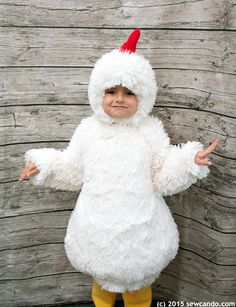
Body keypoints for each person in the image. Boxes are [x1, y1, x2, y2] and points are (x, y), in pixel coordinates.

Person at [19, 29, 219, 307]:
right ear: (97, 93)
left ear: (144, 96)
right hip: (97, 228)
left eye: (129, 92)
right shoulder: (88, 130)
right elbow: (72, 168)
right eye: (111, 90)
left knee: (138, 292)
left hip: (140, 231)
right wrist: (43, 167)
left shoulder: (150, 132)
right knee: (101, 289)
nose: (119, 98)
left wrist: (188, 161)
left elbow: (161, 174)